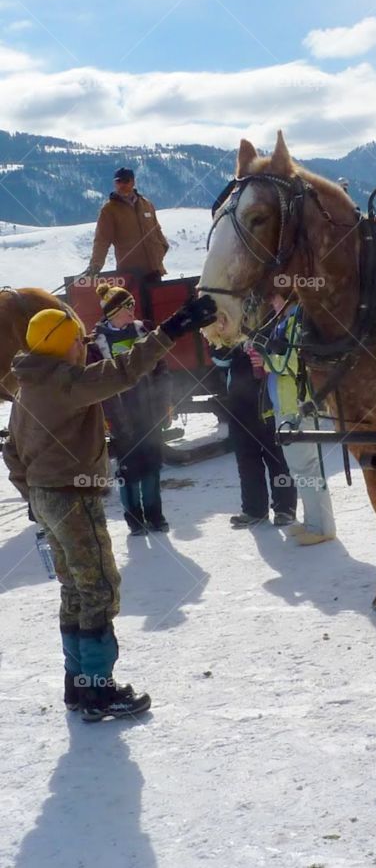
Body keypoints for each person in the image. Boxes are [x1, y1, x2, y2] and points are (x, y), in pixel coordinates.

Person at [2, 294, 217, 721]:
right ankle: (99, 693)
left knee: (74, 589)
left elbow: (11, 452)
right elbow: (124, 370)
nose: (84, 346)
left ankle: (77, 683)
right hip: (71, 497)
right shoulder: (66, 382)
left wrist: (33, 495)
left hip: (48, 497)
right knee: (99, 588)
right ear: (63, 344)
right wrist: (170, 330)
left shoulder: (28, 384)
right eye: (79, 340)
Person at [249, 293, 339, 546]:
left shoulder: (297, 320)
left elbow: (292, 363)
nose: (271, 300)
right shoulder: (288, 320)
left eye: (275, 296)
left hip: (296, 404)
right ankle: (313, 521)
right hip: (287, 403)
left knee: (307, 467)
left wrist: (264, 360)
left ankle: (321, 526)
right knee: (301, 468)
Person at [91, 281, 172, 533]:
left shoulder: (143, 330)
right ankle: (134, 520)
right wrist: (105, 417)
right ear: (113, 312)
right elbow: (95, 385)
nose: (132, 311)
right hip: (120, 415)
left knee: (152, 464)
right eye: (128, 307)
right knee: (128, 469)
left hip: (149, 411)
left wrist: (165, 402)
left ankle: (155, 515)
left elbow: (161, 369)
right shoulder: (96, 345)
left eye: (132, 306)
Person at [210, 343, 298, 528]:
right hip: (239, 405)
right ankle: (254, 510)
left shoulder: (269, 324)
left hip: (268, 403)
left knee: (277, 459)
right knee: (246, 460)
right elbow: (219, 361)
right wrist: (225, 342)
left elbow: (285, 357)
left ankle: (285, 509)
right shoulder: (229, 332)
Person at [85, 167, 169, 282]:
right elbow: (102, 240)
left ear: (133, 182)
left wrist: (162, 247)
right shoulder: (109, 210)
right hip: (130, 272)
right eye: (118, 181)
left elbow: (157, 230)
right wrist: (95, 265)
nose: (122, 184)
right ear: (115, 183)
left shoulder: (146, 204)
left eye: (126, 181)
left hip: (154, 269)